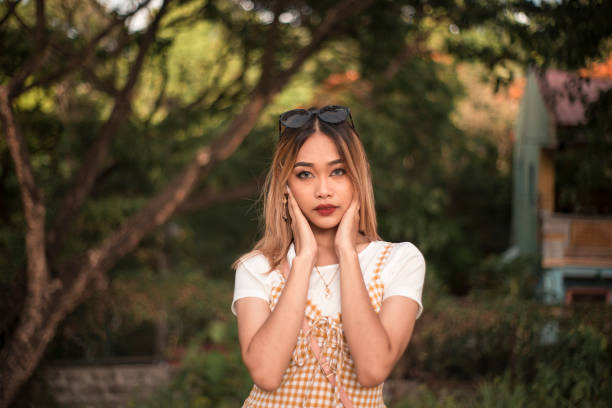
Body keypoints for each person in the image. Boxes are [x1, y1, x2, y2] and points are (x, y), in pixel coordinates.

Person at [231, 105, 426, 407]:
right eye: (305, 174)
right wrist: (304, 258)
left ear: (357, 178)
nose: (323, 190)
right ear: (286, 186)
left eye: (338, 171)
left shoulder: (399, 261)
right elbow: (266, 374)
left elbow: (372, 369)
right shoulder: (256, 268)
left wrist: (346, 253)